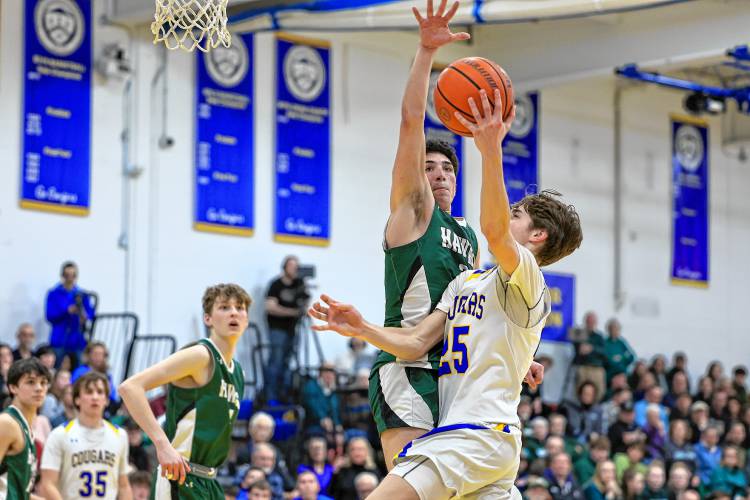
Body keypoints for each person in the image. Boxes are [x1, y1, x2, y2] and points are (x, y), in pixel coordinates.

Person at [309, 73, 582, 500]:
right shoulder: (467, 280)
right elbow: (418, 340)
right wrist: (360, 327)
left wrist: (490, 148)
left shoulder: (529, 274)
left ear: (537, 237)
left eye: (517, 214)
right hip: (468, 430)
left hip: (477, 432)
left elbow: (494, 233)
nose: (507, 217)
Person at [367, 0, 544, 472]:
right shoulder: (412, 213)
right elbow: (410, 124)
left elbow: (472, 307)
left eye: (448, 167)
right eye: (429, 167)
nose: (439, 174)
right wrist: (426, 53)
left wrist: (518, 355)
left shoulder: (467, 232)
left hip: (452, 377)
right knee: (412, 488)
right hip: (407, 368)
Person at [119, 284, 250, 500]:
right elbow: (130, 387)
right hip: (180, 475)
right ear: (208, 318)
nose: (234, 312)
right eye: (225, 307)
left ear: (246, 320)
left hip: (209, 480)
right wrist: (162, 445)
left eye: (240, 307)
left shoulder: (238, 373)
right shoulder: (201, 355)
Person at [39, 371, 132, 500]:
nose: (95, 397)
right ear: (77, 399)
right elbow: (48, 484)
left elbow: (123, 485)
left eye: (100, 392)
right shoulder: (59, 434)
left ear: (106, 400)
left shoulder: (120, 435)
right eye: (89, 392)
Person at [0, 358, 52, 499]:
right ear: (13, 387)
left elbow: (21, 493)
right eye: (31, 382)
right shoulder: (7, 423)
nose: (39, 388)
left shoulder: (26, 427)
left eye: (43, 382)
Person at [263, 255, 309, 404]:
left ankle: (284, 397)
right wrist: (293, 312)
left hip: (293, 330)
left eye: (296, 266)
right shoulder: (276, 284)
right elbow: (270, 307)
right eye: (291, 266)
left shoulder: (299, 284)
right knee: (275, 363)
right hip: (277, 329)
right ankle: (271, 397)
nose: (294, 269)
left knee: (288, 364)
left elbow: (305, 304)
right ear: (284, 267)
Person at [45, 261, 95, 369]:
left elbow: (90, 313)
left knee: (80, 371)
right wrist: (66, 311)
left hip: (78, 339)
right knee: (56, 369)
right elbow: (49, 316)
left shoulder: (82, 294)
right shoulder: (54, 294)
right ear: (62, 276)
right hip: (59, 339)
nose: (70, 278)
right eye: (67, 275)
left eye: (73, 275)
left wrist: (84, 315)